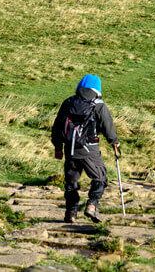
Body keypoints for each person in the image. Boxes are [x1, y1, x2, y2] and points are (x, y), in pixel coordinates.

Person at [51, 74, 120, 224]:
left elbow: (57, 126)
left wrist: (58, 147)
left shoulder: (68, 102)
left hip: (70, 149)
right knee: (100, 177)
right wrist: (114, 142)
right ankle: (92, 205)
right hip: (90, 149)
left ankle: (71, 213)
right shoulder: (99, 105)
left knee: (71, 182)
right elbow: (108, 126)